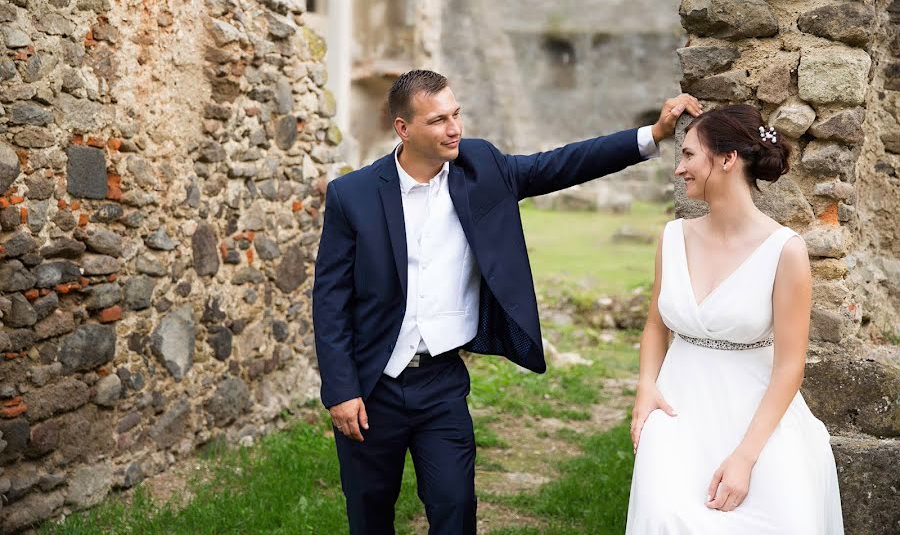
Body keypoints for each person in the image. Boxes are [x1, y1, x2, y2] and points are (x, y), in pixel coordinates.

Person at [313, 68, 700, 534]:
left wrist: (651, 135)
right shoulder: (352, 195)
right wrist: (341, 389)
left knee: (455, 507)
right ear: (403, 129)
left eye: (456, 114)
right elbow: (330, 300)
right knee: (370, 513)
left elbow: (561, 164)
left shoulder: (482, 169)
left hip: (442, 382)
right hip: (372, 384)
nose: (454, 128)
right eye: (437, 120)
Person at [626, 104, 844, 534]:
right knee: (665, 520)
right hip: (676, 416)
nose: (679, 169)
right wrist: (646, 387)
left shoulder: (786, 250)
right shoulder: (673, 238)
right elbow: (655, 326)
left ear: (727, 159)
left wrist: (745, 457)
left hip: (757, 422)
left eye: (689, 155)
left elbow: (789, 365)